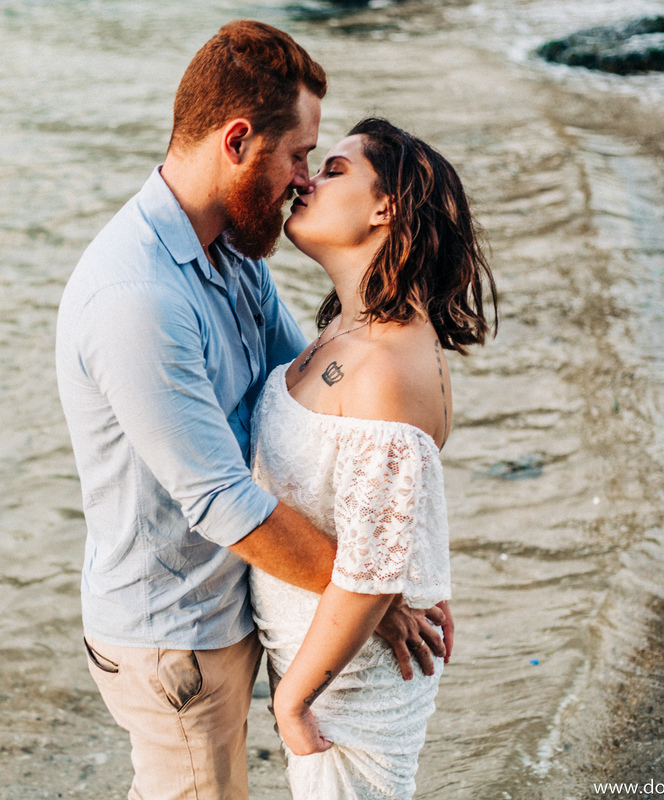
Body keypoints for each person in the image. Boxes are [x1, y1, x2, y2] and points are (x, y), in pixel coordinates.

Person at [55, 22, 452, 800]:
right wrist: (372, 597)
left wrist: (382, 578)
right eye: (299, 156)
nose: (303, 180)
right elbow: (222, 502)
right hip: (178, 637)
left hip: (234, 611)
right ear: (238, 141)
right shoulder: (137, 298)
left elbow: (305, 395)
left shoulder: (232, 254)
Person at [248, 118, 498, 799]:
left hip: (349, 697)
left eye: (333, 170)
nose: (306, 181)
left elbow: (370, 574)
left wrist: (292, 702)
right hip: (331, 670)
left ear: (386, 207)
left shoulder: (385, 366)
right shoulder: (352, 328)